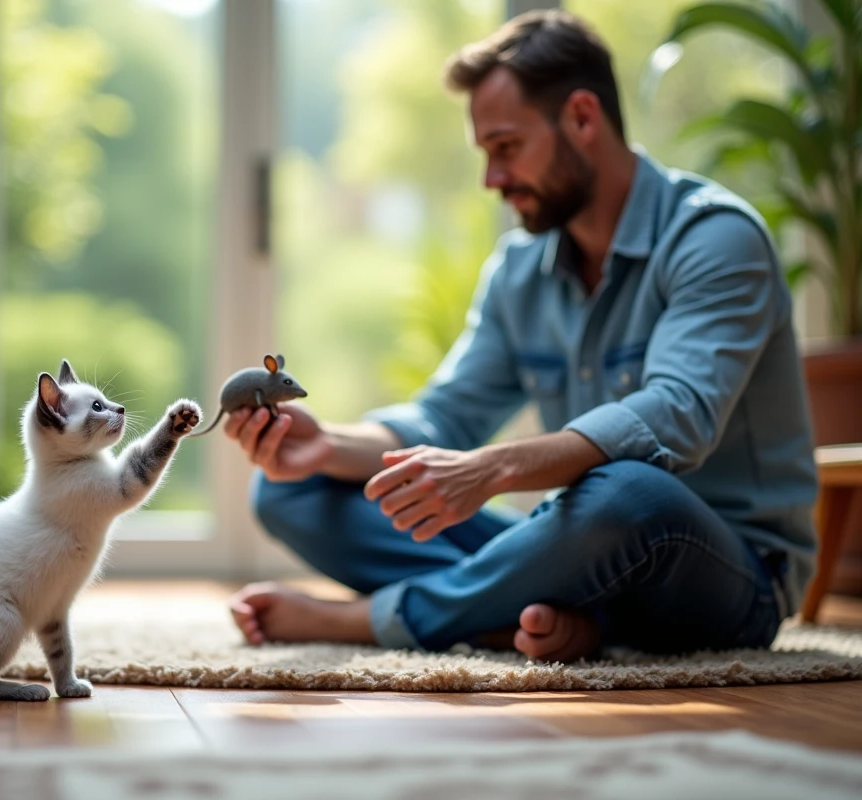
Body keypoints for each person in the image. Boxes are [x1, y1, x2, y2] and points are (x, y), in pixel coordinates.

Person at [221, 8, 819, 663]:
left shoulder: (715, 238)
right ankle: (555, 615)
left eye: (506, 148)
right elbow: (443, 416)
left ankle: (380, 620)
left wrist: (493, 469)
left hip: (724, 572)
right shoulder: (519, 273)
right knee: (290, 488)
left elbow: (677, 416)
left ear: (583, 119)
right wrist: (326, 445)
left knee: (628, 491)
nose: (492, 181)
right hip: (579, 550)